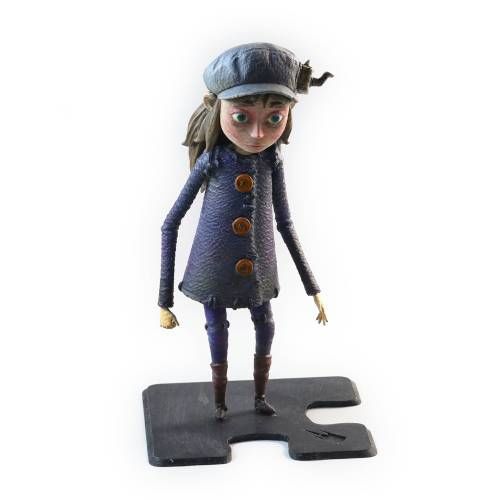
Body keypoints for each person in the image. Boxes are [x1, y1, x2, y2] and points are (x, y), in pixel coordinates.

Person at [158, 43, 332, 420]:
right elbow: (171, 222)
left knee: (265, 326)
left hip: (259, 270)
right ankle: (220, 403)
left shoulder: (272, 161)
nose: (257, 133)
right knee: (216, 329)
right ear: (216, 108)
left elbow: (285, 223)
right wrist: (163, 300)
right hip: (212, 266)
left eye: (274, 118)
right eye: (241, 116)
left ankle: (259, 397)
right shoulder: (213, 160)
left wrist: (312, 287)